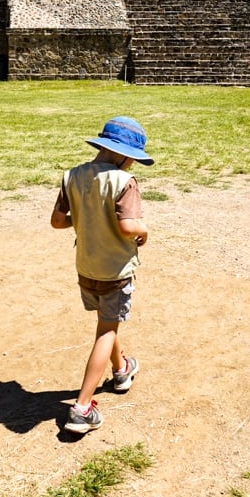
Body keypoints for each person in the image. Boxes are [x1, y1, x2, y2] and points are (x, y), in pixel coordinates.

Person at [50, 115, 153, 434]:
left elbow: (57, 221)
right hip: (115, 271)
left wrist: (84, 220)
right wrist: (143, 229)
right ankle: (82, 409)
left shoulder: (72, 176)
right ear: (123, 154)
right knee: (106, 331)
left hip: (86, 268)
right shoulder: (124, 182)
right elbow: (126, 227)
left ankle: (121, 370)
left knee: (108, 321)